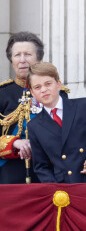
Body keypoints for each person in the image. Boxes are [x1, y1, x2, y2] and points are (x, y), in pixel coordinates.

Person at [27, 62, 86, 183]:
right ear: (32, 93)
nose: (44, 90)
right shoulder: (34, 126)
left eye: (48, 84)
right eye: (37, 87)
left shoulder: (83, 106)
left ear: (58, 84)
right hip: (66, 188)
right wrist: (56, 190)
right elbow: (41, 166)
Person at [0, 32, 68, 184]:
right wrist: (14, 143)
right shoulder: (2, 93)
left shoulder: (58, 92)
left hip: (51, 171)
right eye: (17, 55)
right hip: (10, 172)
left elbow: (69, 133)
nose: (22, 60)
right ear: (11, 60)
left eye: (28, 54)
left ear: (38, 58)